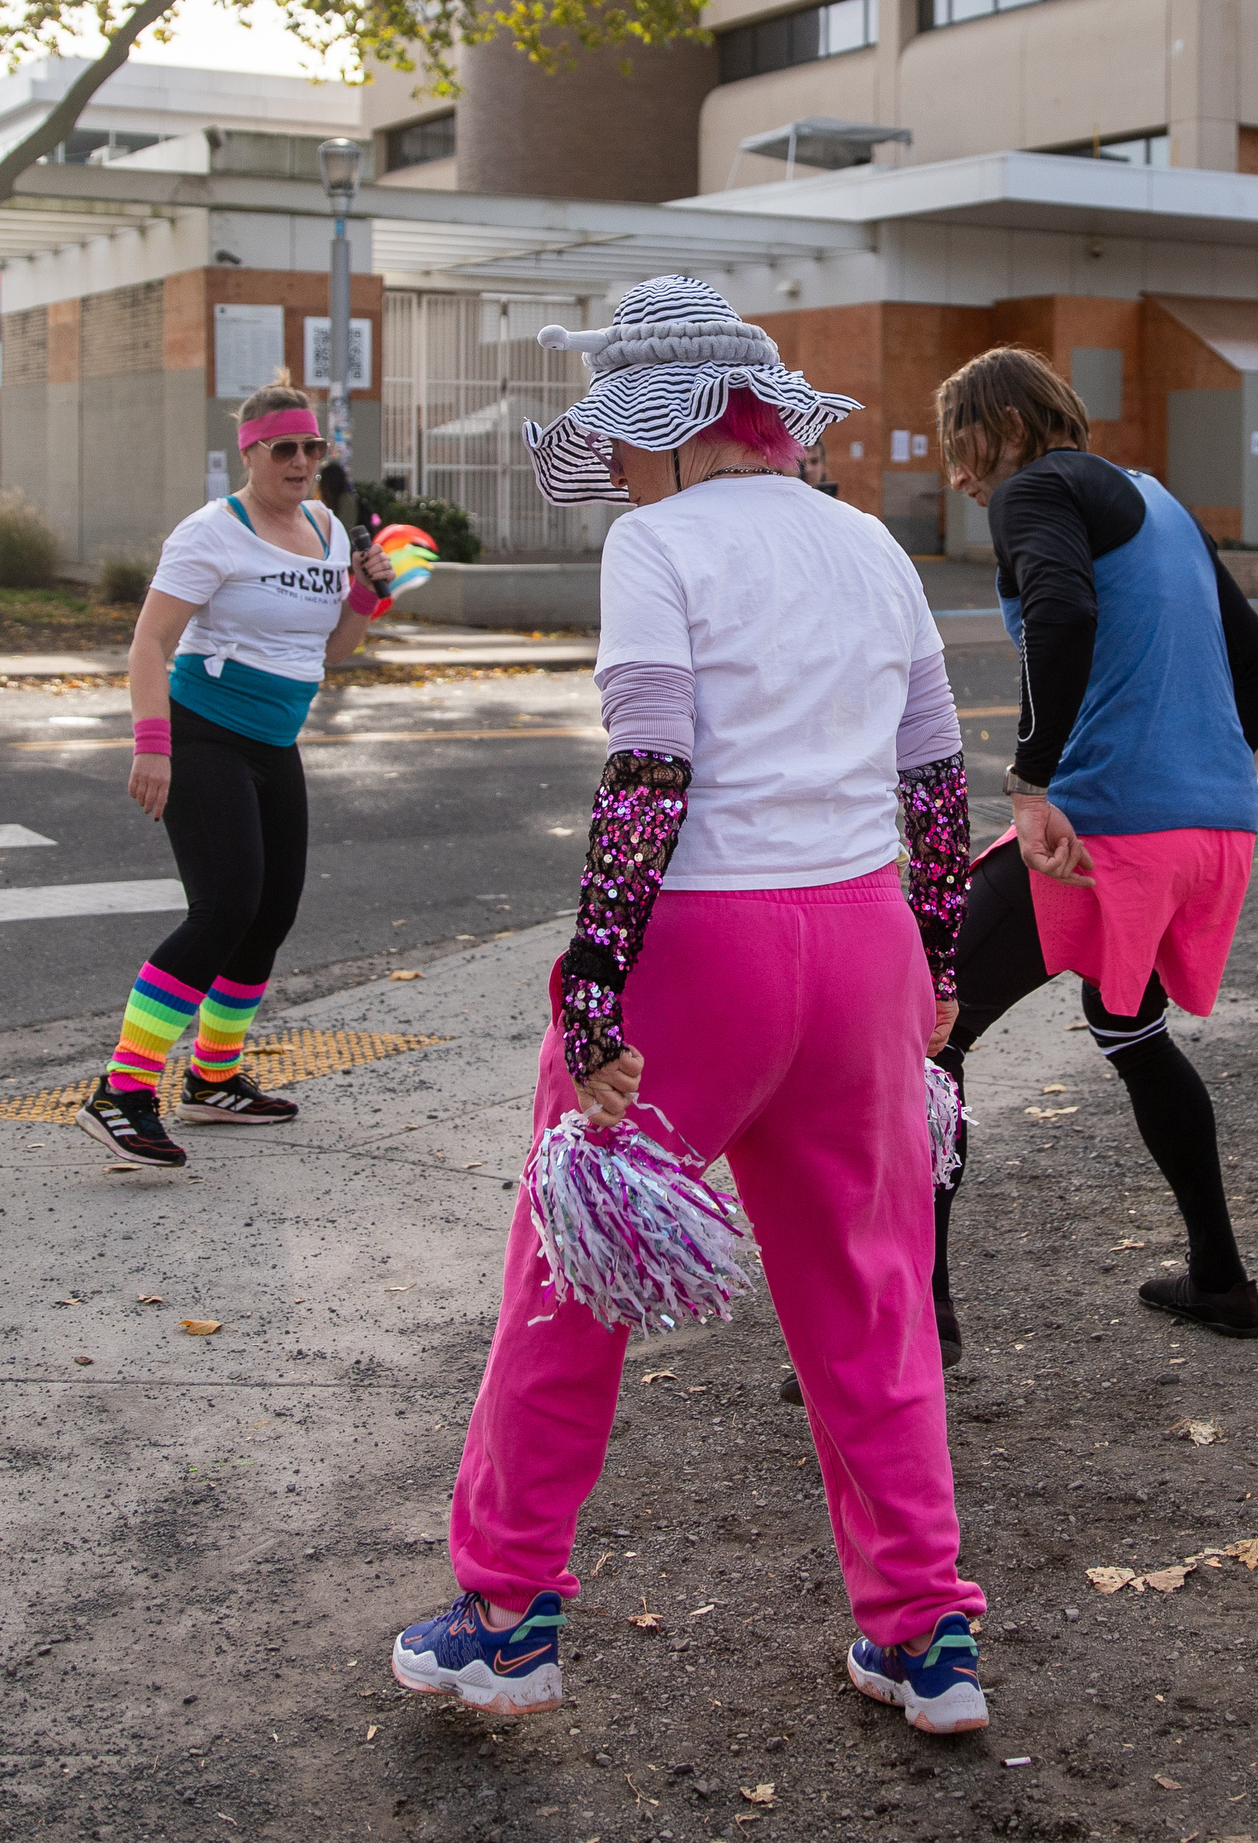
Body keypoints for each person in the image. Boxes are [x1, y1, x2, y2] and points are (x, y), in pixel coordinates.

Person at [394, 278, 986, 1735]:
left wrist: (593, 975)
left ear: (656, 428)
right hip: (861, 948)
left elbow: (650, 765)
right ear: (767, 416)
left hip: (697, 953)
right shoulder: (871, 543)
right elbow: (935, 779)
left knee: (573, 1277)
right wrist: (941, 956)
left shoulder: (655, 546)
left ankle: (508, 1617)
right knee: (872, 1289)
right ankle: (925, 1636)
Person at [933, 348, 1258, 1345]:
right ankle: (1220, 1280)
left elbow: (1061, 610)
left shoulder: (1034, 486)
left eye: (960, 441)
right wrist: (1184, 787)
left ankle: (917, 1319)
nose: (958, 476)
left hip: (1108, 832)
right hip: (1210, 830)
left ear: (1003, 426)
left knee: (924, 1025)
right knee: (1130, 1031)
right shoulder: (1157, 501)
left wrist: (1034, 777)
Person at [77, 385, 384, 1166]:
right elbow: (149, 644)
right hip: (204, 736)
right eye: (284, 449)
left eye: (312, 449)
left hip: (275, 742)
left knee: (270, 914)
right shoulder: (210, 534)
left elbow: (332, 652)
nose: (301, 463)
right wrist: (153, 745)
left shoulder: (323, 528)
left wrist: (366, 595)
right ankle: (124, 1088)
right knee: (224, 908)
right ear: (248, 452)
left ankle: (213, 1078)